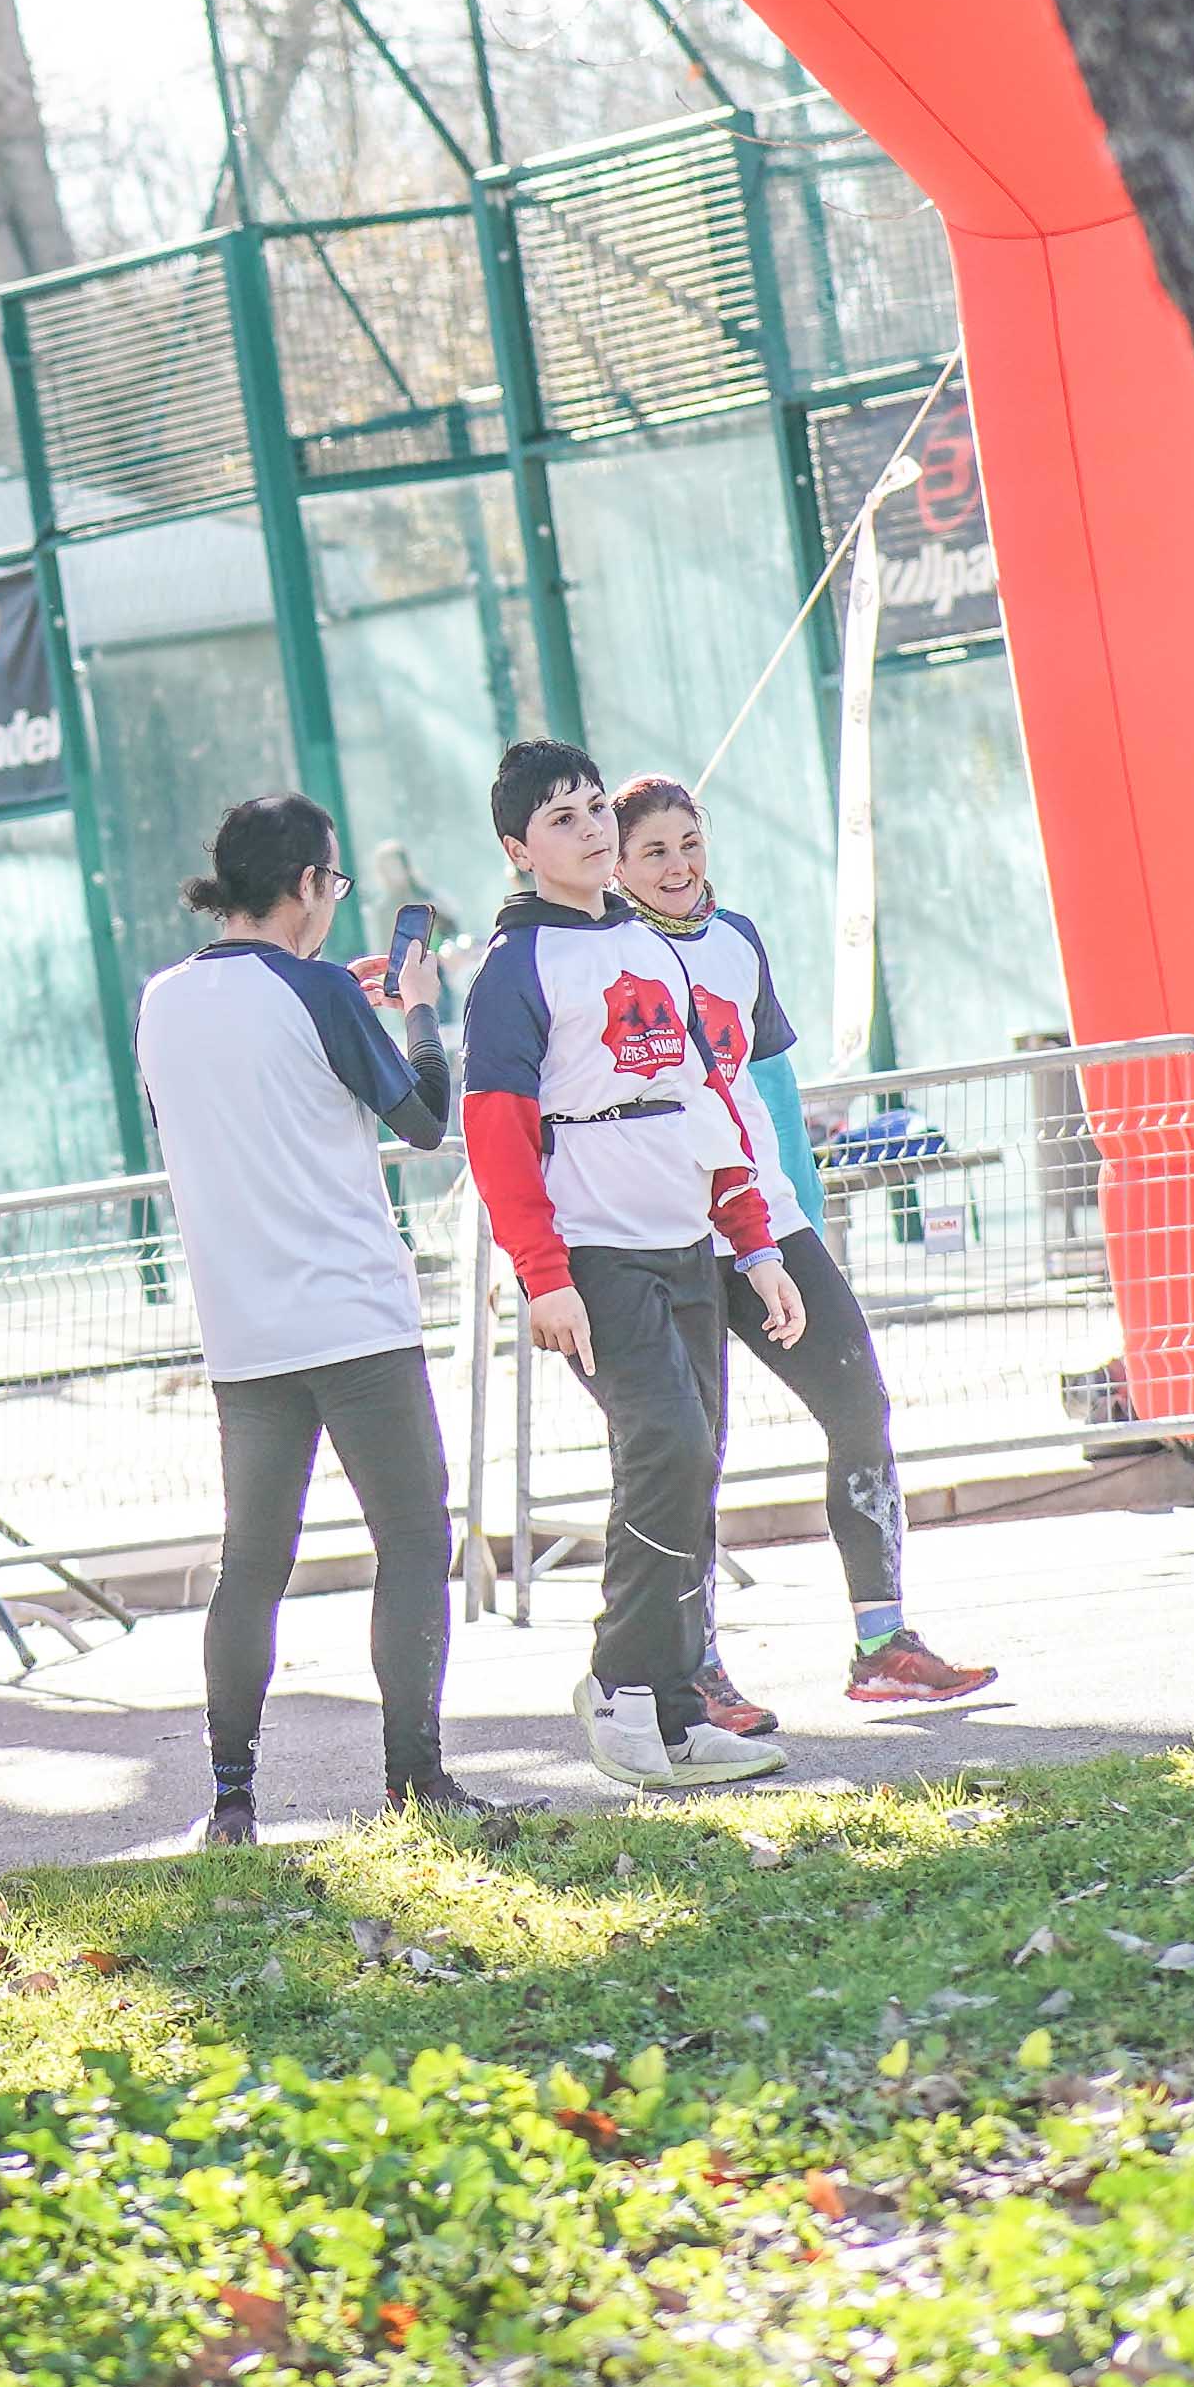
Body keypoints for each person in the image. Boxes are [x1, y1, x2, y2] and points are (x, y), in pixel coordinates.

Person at [600, 776, 998, 1717]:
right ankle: (694, 1671)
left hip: (769, 1219)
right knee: (694, 1451)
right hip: (672, 1230)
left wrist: (800, 1217)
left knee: (859, 1402)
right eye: (653, 850)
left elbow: (766, 1086)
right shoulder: (610, 954)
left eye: (689, 842)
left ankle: (883, 1642)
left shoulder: (736, 937)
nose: (677, 865)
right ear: (616, 866)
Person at [136, 793, 493, 1841]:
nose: (334, 902)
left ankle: (232, 1798)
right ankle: (414, 1779)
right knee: (414, 1538)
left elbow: (234, 1100)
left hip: (242, 1330)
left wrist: (342, 1002)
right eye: (331, 885)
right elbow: (427, 1119)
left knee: (254, 1560)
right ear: (304, 885)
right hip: (354, 1316)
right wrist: (419, 1008)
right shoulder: (326, 991)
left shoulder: (161, 1000)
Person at [462, 739, 792, 1793]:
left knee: (696, 1464)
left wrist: (754, 1240)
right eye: (562, 817)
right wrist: (542, 1272)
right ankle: (619, 1685)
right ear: (520, 849)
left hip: (687, 1239)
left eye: (597, 806)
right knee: (665, 1444)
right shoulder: (517, 968)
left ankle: (680, 1708)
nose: (594, 827)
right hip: (596, 1255)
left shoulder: (651, 947)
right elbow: (495, 1130)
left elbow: (708, 1101)